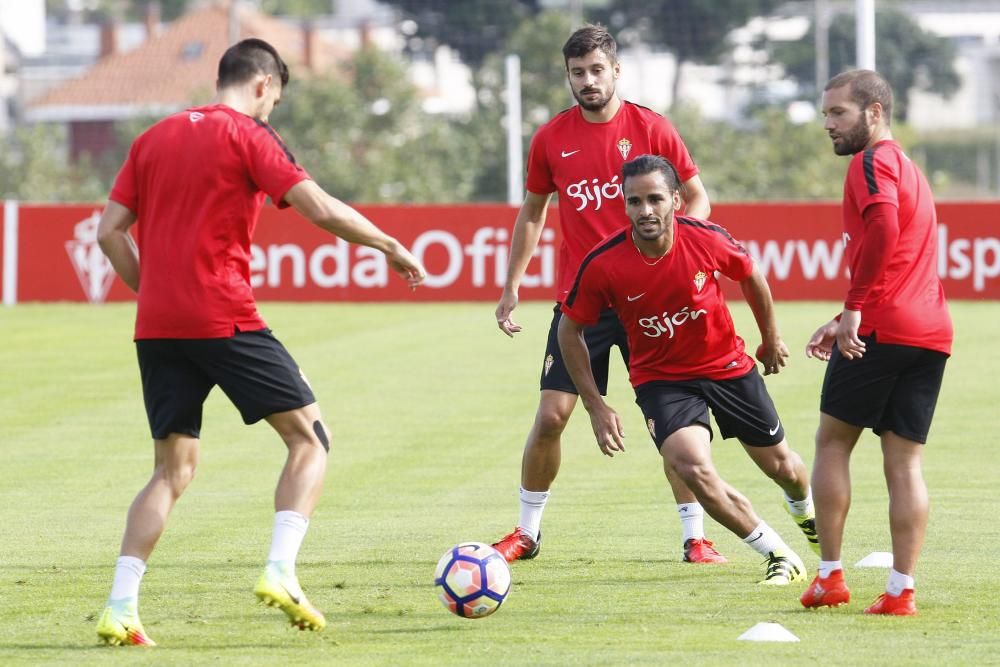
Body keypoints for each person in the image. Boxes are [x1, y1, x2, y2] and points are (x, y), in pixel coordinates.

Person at [93, 38, 425, 646]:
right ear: (265, 85)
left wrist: (155, 290)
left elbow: (109, 233)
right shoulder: (248, 135)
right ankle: (281, 571)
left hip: (158, 327)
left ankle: (120, 605)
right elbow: (319, 208)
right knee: (310, 438)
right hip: (223, 315)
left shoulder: (152, 138)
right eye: (274, 101)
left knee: (170, 471)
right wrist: (390, 245)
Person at [492, 24, 723, 565]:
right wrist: (511, 286)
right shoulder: (551, 138)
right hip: (584, 303)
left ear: (616, 70)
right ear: (568, 76)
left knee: (674, 423)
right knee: (551, 416)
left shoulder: (653, 129)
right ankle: (527, 533)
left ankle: (696, 537)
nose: (588, 81)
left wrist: (672, 253)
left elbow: (698, 200)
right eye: (578, 73)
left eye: (597, 70)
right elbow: (533, 212)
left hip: (652, 304)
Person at [557, 154, 817, 584]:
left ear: (676, 200)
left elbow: (751, 277)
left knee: (784, 470)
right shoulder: (604, 262)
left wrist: (770, 339)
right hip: (662, 381)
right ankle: (779, 554)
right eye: (635, 201)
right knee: (691, 466)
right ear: (624, 205)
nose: (646, 211)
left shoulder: (706, 239)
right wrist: (595, 405)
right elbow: (570, 331)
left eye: (655, 199)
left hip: (727, 367)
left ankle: (805, 513)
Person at [800, 70, 952, 615]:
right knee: (905, 464)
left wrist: (856, 309)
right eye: (826, 114)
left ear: (874, 112)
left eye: (838, 113)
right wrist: (845, 312)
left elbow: (884, 227)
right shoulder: (909, 168)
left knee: (832, 443)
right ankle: (899, 592)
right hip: (929, 331)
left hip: (881, 327)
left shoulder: (872, 162)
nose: (828, 124)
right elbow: (901, 254)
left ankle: (830, 577)